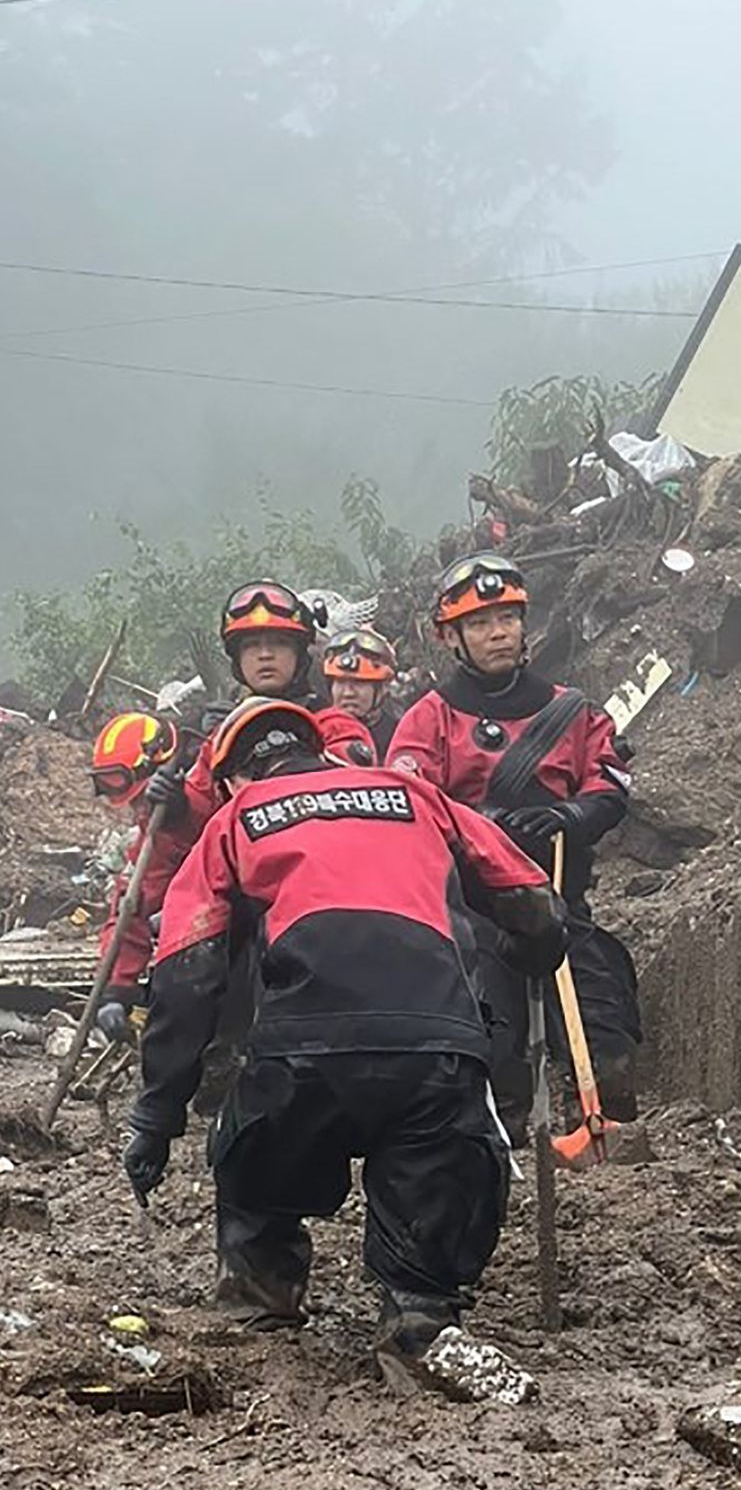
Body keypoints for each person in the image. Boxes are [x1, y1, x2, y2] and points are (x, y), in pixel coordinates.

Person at [122, 698, 566, 1374]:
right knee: (445, 1158)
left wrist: (156, 1116)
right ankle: (420, 1317)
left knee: (252, 1151)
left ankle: (259, 1303)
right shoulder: (413, 793)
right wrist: (535, 949)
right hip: (436, 1047)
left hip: (301, 1054)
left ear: (234, 780)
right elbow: (532, 900)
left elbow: (187, 972)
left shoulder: (235, 821)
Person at [386, 554, 639, 1138]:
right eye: (479, 623)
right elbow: (408, 798)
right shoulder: (429, 719)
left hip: (559, 898)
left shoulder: (570, 710)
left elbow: (610, 783)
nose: (497, 632)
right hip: (473, 914)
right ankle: (501, 1129)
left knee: (606, 1021)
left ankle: (606, 1123)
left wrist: (567, 815)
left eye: (506, 618)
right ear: (451, 637)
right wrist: (482, 827)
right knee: (485, 1032)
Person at [98, 580, 366, 1032]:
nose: (265, 655)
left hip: (337, 903)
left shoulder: (337, 730)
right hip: (247, 918)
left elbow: (354, 798)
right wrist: (117, 985)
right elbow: (153, 870)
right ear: (236, 659)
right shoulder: (217, 748)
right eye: (253, 646)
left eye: (278, 644)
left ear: (302, 653)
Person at [89, 709, 183, 1044]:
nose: (136, 809)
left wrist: (182, 814)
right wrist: (116, 990)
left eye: (140, 799)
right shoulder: (155, 832)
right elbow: (134, 902)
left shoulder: (219, 783)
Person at [321, 627, 404, 763]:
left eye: (359, 683)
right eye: (340, 682)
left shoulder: (400, 737)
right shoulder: (313, 732)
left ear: (383, 687)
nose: (348, 693)